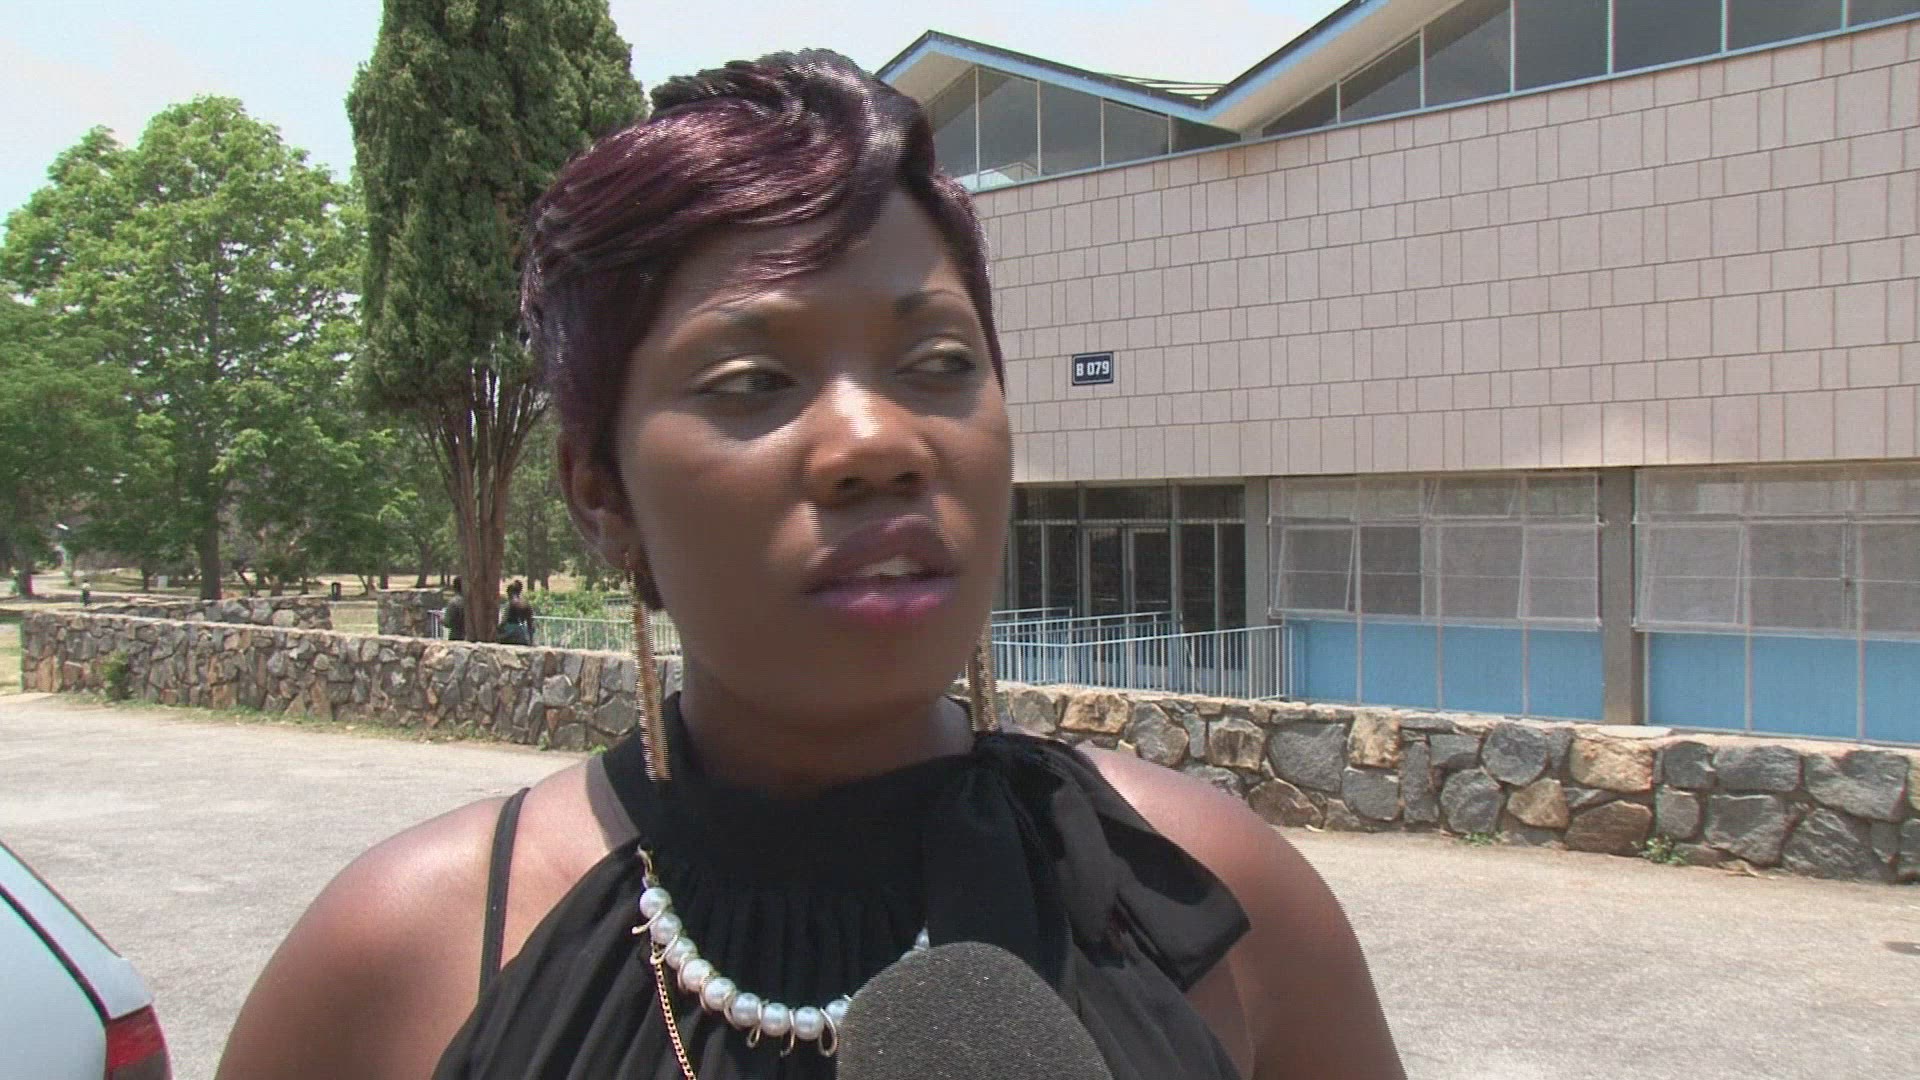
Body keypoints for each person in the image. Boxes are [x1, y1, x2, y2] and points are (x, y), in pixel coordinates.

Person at [217, 51, 1404, 1080]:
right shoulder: (402, 958)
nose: (878, 442)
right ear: (600, 493)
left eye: (940, 363)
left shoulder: (1224, 901)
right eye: (753, 382)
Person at [497, 580, 535, 646]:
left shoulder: (510, 604)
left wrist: (497, 629)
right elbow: (530, 624)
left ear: (510, 592)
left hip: (508, 634)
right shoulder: (526, 604)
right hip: (521, 634)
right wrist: (531, 641)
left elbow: (504, 622)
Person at [442, 576, 467, 641]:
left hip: (456, 637)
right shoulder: (475, 602)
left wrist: (441, 619)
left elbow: (447, 623)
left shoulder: (454, 602)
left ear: (454, 587)